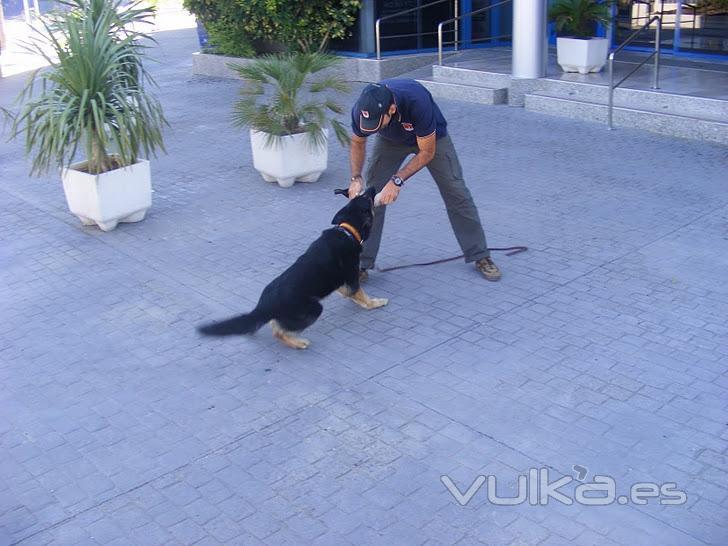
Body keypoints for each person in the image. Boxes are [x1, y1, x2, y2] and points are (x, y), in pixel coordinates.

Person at [347, 79, 501, 282]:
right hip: (390, 142)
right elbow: (358, 142)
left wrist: (397, 180)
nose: (372, 128)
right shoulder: (362, 109)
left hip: (432, 141)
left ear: (391, 109)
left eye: (377, 122)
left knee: (456, 192)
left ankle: (480, 255)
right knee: (370, 198)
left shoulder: (416, 100)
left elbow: (427, 152)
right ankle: (361, 263)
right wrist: (356, 177)